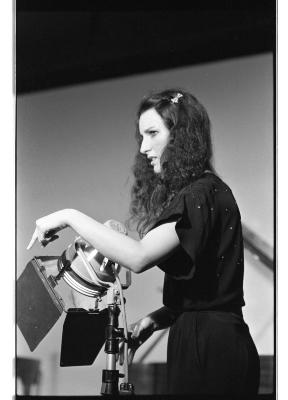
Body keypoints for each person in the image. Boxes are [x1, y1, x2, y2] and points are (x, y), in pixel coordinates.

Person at [27, 89, 260, 395]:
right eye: (142, 137)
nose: (145, 148)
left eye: (153, 133)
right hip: (214, 342)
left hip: (210, 349)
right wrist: (156, 320)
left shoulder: (198, 195)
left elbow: (138, 257)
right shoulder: (210, 191)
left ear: (182, 136)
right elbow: (208, 293)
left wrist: (69, 216)